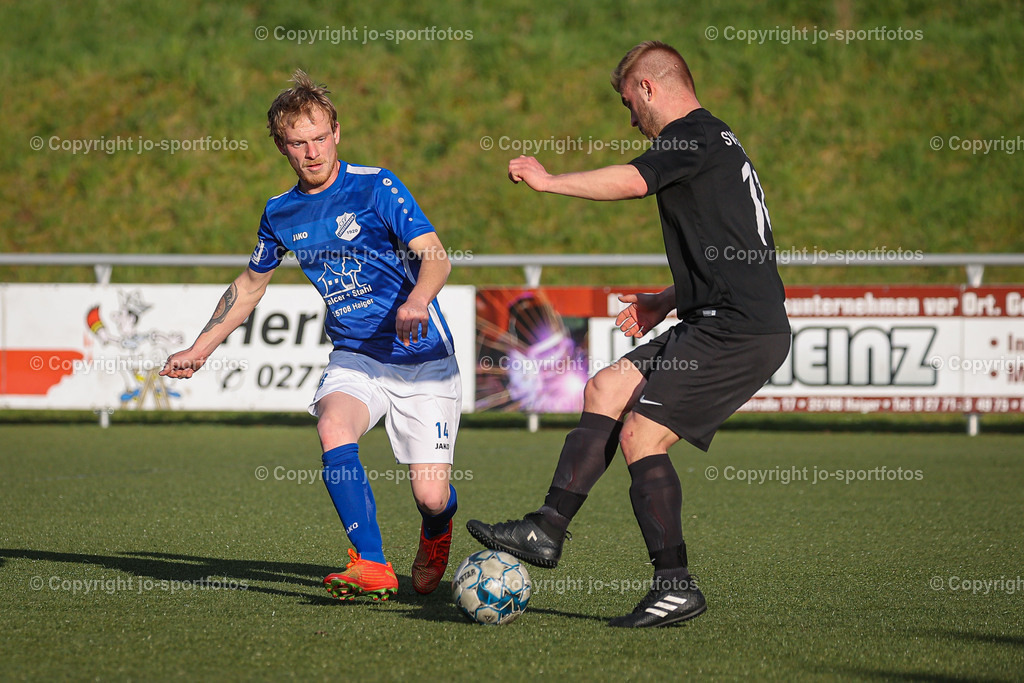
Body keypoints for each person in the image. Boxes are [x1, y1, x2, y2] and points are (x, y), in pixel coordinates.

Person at [467, 41, 791, 627]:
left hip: (738, 330)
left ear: (647, 88)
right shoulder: (715, 141)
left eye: (628, 104)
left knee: (642, 435)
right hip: (719, 316)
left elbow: (632, 181)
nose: (630, 119)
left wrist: (550, 181)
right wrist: (668, 299)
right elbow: (738, 243)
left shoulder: (688, 136)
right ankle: (546, 529)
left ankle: (675, 585)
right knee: (607, 388)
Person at [160, 70, 461, 601]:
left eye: (320, 137)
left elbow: (434, 255)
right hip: (355, 356)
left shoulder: (377, 185)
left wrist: (418, 300)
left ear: (337, 132)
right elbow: (250, 287)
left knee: (431, 495)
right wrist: (199, 349)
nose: (312, 151)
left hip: (422, 358)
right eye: (298, 143)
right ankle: (370, 563)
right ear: (282, 147)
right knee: (332, 427)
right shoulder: (280, 213)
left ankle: (436, 532)